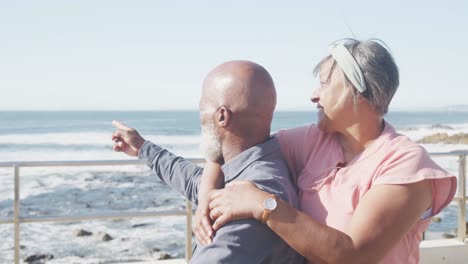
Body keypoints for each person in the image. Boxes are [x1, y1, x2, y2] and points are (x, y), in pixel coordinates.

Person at [195, 39, 457, 264]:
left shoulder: (405, 164)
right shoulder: (313, 141)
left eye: (324, 84)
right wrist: (207, 197)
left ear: (360, 92)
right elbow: (239, 144)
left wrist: (262, 205)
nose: (314, 95)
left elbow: (354, 255)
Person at [111, 61, 304, 263]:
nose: (200, 116)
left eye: (202, 107)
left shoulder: (254, 193)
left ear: (222, 116)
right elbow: (194, 181)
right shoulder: (254, 166)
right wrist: (143, 148)